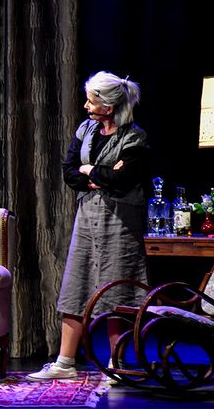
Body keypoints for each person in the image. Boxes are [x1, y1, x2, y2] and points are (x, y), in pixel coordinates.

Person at [28, 71, 149, 381]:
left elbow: (123, 180)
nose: (86, 106)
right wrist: (96, 174)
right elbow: (69, 171)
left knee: (118, 290)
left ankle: (115, 365)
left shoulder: (134, 137)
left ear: (109, 106)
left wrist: (91, 169)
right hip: (87, 217)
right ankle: (64, 363)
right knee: (77, 285)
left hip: (120, 221)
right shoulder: (86, 129)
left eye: (92, 102)